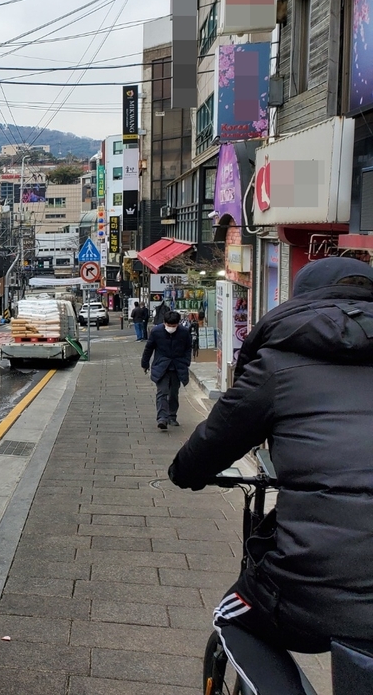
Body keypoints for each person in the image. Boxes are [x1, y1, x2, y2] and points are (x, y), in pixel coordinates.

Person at [168, 256, 373, 659]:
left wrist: (184, 471)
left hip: (314, 590)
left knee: (232, 620)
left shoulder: (278, 364)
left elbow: (212, 442)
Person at [141, 310, 192, 429]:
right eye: (169, 325)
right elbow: (149, 348)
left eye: (174, 326)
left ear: (178, 324)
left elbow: (188, 348)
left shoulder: (184, 332)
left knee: (174, 393)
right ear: (164, 322)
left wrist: (186, 362)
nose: (171, 328)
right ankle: (162, 418)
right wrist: (145, 364)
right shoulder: (156, 331)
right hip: (161, 366)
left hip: (177, 367)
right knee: (162, 392)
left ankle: (172, 416)